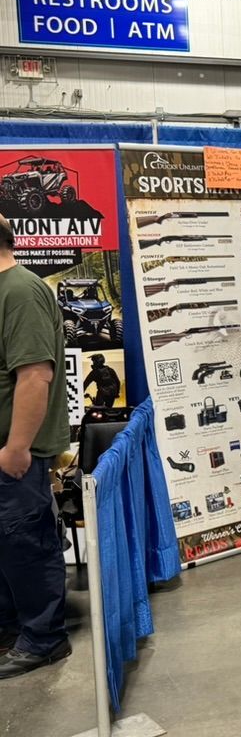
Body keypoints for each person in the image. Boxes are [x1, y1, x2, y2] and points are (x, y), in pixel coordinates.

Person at [0, 214, 72, 679]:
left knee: (26, 542)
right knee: (6, 544)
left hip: (13, 453)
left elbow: (35, 376)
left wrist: (16, 449)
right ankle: (13, 628)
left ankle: (44, 638)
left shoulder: (21, 290)